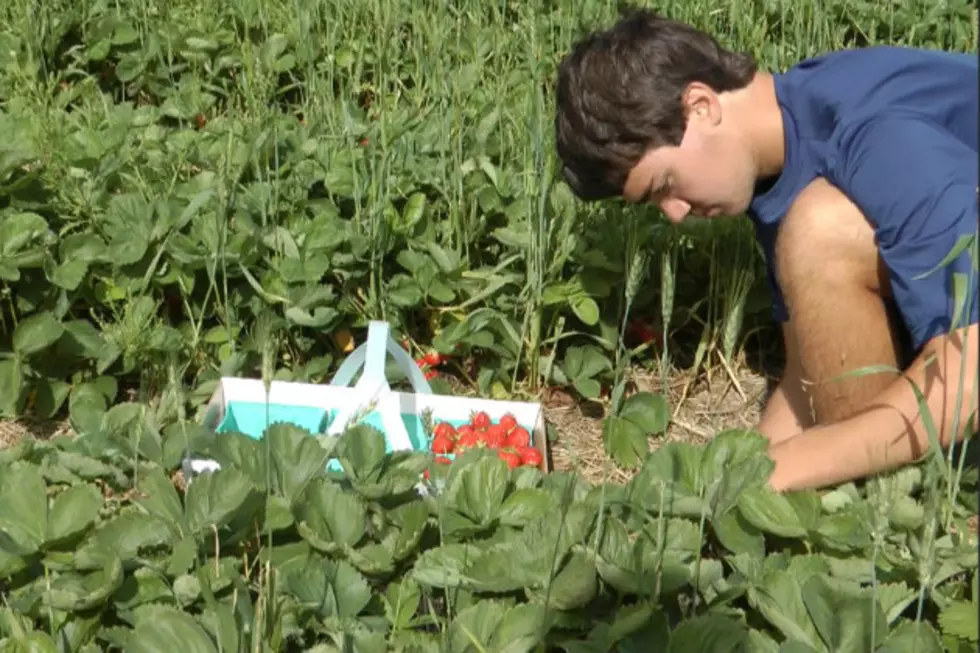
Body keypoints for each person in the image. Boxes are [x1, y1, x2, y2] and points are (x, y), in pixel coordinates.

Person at [553, 7, 979, 492]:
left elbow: (970, 372)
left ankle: (891, 506)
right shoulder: (782, 159)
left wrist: (788, 471)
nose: (673, 213)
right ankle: (878, 506)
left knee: (820, 228)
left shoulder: (873, 129)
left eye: (664, 184)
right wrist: (722, 486)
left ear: (700, 106)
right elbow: (810, 377)